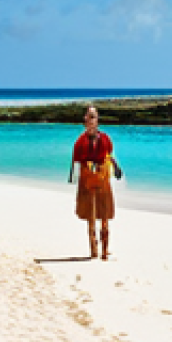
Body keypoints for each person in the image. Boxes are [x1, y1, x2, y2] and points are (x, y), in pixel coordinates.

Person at [71, 106, 117, 260]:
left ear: (97, 120)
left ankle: (104, 251)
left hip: (103, 180)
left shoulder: (104, 138)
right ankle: (93, 250)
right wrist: (75, 178)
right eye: (88, 116)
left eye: (92, 116)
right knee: (90, 218)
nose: (89, 120)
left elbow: (109, 155)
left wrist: (116, 168)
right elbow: (76, 161)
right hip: (87, 181)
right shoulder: (80, 141)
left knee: (104, 216)